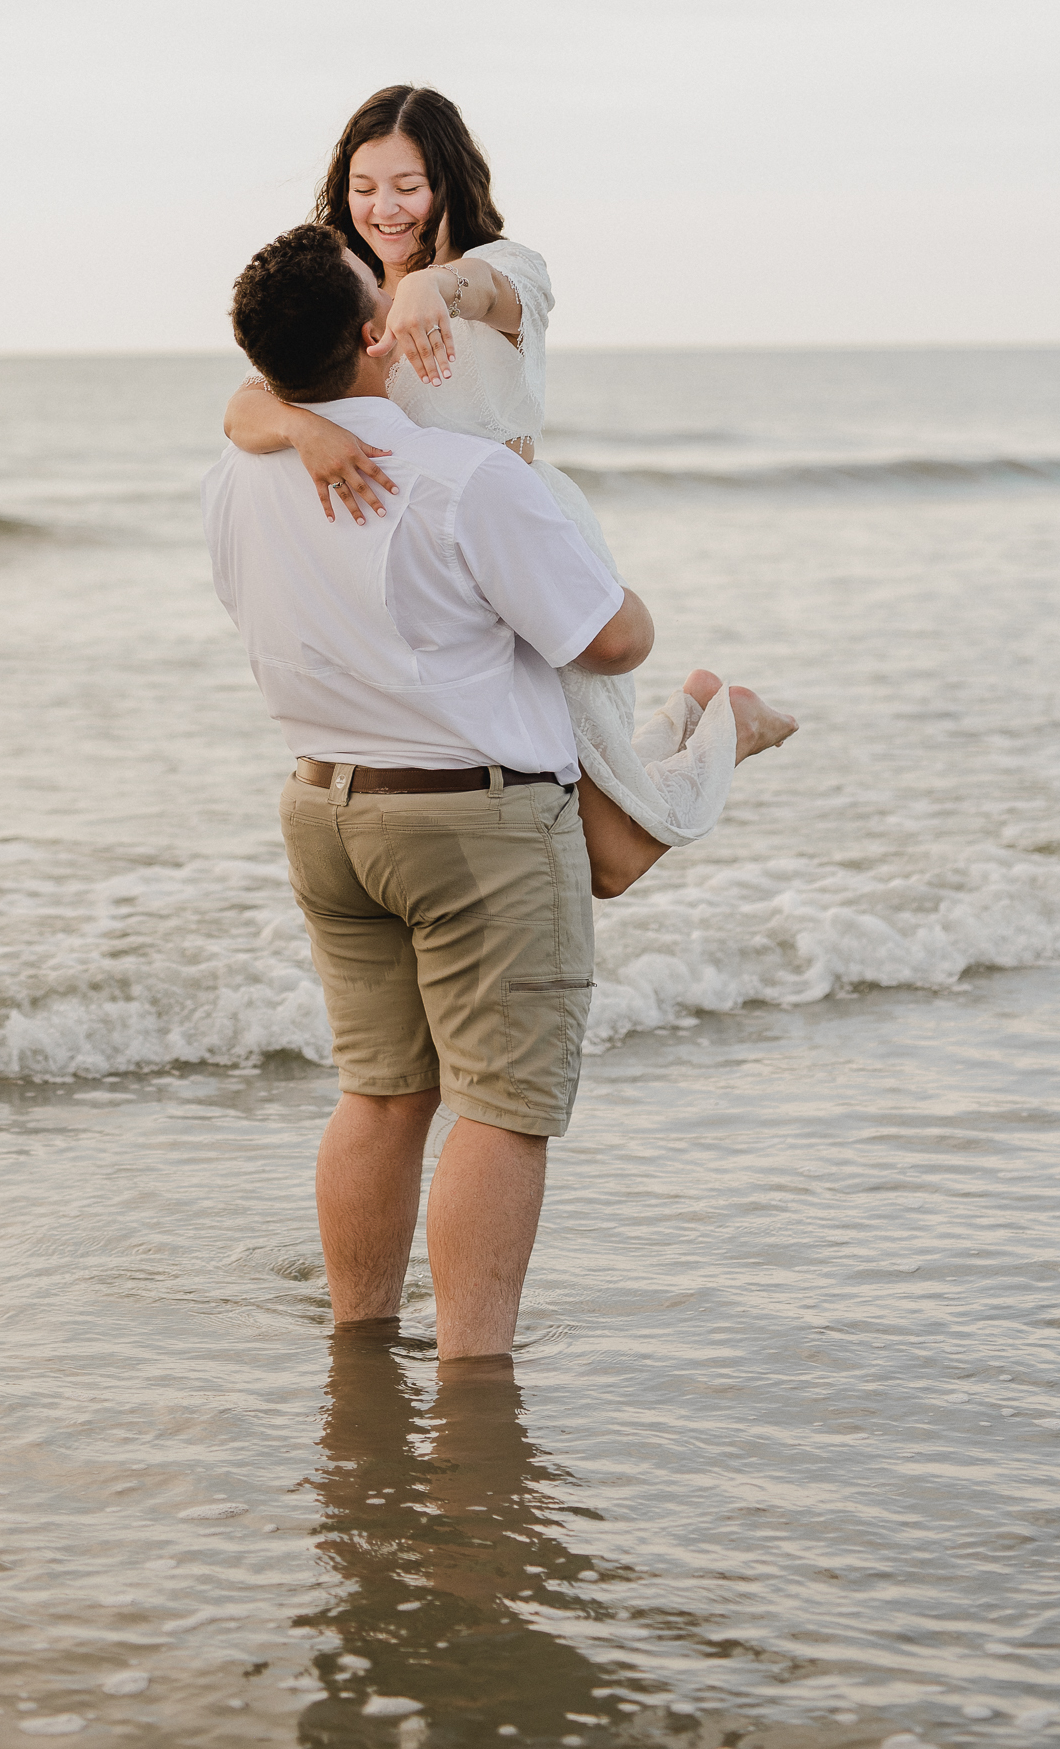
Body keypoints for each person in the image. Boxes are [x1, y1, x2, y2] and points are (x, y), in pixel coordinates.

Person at [203, 222, 653, 1359]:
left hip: (323, 811)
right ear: (371, 339)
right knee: (501, 1108)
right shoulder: (461, 476)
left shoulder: (239, 475)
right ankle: (473, 1379)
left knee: (380, 1094)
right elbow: (610, 642)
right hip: (474, 821)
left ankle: (359, 1346)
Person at [223, 84, 797, 898]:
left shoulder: (504, 268)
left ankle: (726, 726)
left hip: (524, 544)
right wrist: (304, 430)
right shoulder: (342, 290)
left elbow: (489, 295)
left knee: (608, 861)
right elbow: (245, 404)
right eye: (364, 187)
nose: (384, 208)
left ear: (450, 184)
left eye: (407, 187)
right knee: (573, 805)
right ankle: (695, 716)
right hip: (438, 587)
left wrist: (435, 289)